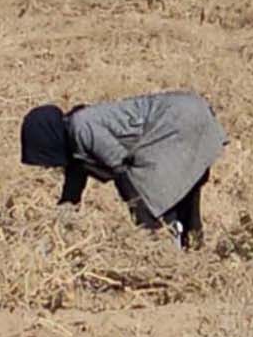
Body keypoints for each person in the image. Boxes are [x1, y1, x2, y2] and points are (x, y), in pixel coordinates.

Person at [19, 92, 228, 252]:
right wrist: (50, 233)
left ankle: (169, 257)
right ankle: (194, 250)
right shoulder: (75, 140)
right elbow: (71, 197)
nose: (47, 167)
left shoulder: (82, 126)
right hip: (187, 110)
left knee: (150, 192)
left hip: (178, 120)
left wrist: (144, 220)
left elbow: (122, 168)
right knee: (178, 191)